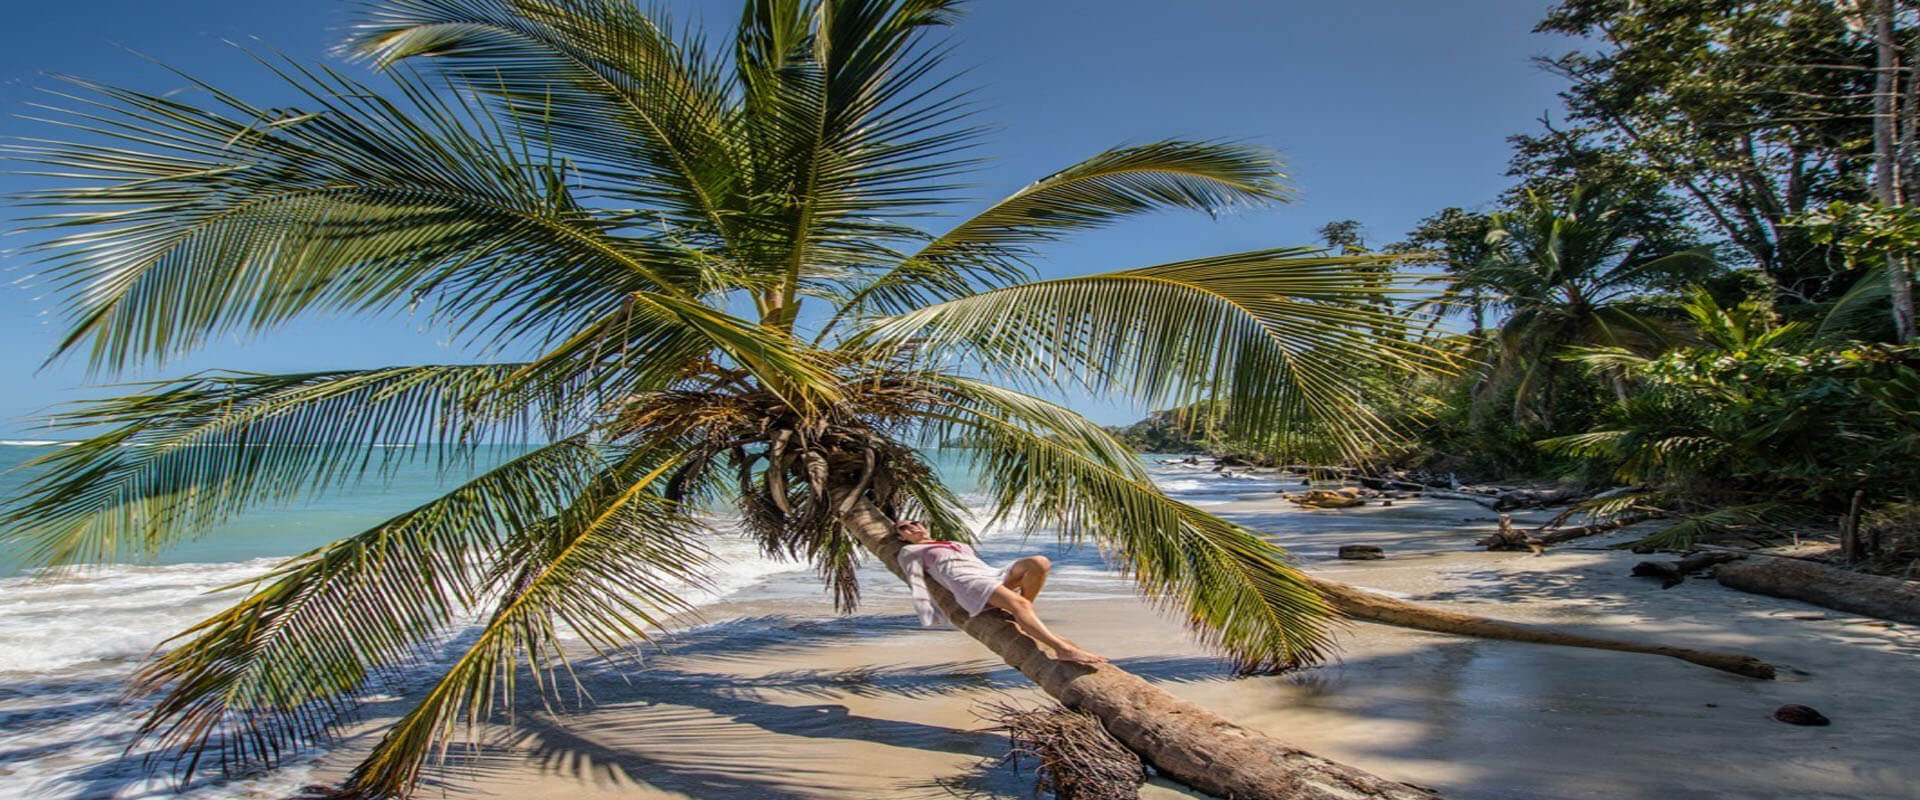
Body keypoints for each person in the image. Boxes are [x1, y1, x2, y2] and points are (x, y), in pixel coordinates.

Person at [892, 519, 1106, 665]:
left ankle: (1021, 613)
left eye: (914, 522)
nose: (911, 526)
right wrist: (930, 609)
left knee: (1039, 562)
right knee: (1020, 604)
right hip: (968, 583)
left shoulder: (956, 543)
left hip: (989, 574)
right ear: (902, 538)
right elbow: (915, 579)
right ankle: (1062, 649)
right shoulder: (909, 551)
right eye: (904, 528)